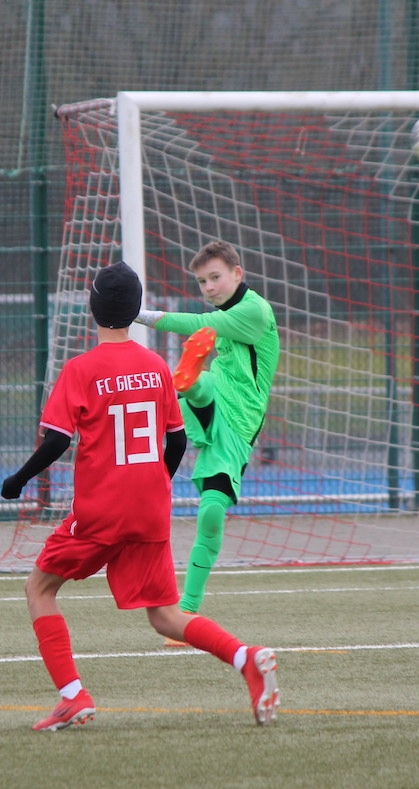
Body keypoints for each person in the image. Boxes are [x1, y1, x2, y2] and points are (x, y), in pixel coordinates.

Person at [1, 261, 279, 731]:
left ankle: (72, 696)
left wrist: (19, 479)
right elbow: (175, 441)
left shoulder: (81, 369)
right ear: (134, 311)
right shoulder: (155, 367)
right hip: (149, 510)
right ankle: (245, 657)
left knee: (39, 588)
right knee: (166, 616)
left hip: (101, 510)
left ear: (92, 309)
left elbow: (56, 441)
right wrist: (157, 483)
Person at [134, 241, 279, 636]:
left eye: (215, 277)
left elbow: (201, 325)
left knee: (211, 512)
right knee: (196, 386)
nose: (209, 287)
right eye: (202, 281)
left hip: (239, 422)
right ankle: (187, 384)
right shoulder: (225, 312)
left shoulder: (254, 310)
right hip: (217, 393)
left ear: (238, 272)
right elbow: (205, 324)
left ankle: (189, 607)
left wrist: (145, 316)